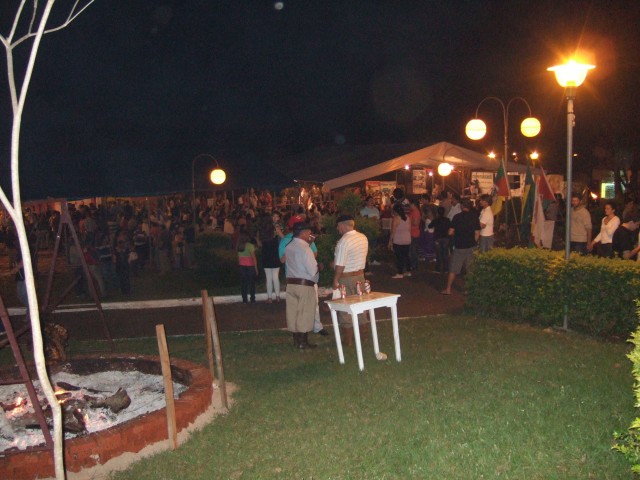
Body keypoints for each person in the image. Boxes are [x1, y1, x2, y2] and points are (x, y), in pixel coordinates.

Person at [332, 214, 368, 346]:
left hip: (346, 278)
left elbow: (340, 265)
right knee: (361, 305)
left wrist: (335, 280)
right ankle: (363, 337)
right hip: (360, 276)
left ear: (342, 225)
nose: (337, 229)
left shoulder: (344, 241)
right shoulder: (363, 237)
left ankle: (348, 341)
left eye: (338, 226)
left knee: (345, 308)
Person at [285, 222, 319, 349]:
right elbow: (312, 270)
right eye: (309, 232)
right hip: (304, 285)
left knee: (293, 312)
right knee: (305, 313)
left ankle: (296, 340)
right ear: (304, 233)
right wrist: (319, 267)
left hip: (291, 284)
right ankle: (302, 342)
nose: (310, 234)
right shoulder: (305, 249)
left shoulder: (289, 246)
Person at [442, 199, 480, 295]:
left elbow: (450, 232)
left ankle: (448, 289)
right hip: (471, 245)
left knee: (453, 268)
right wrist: (473, 242)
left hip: (459, 246)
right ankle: (468, 289)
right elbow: (477, 233)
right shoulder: (475, 217)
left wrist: (456, 233)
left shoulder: (457, 217)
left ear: (462, 206)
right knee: (470, 268)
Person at [259, 220, 281, 303]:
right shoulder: (275, 238)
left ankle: (269, 298)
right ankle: (278, 296)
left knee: (268, 278)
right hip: (275, 258)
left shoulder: (264, 239)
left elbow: (261, 247)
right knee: (276, 277)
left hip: (266, 259)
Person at [388, 204, 411, 278]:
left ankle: (400, 273)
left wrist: (390, 241)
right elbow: (409, 229)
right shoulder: (407, 217)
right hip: (407, 239)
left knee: (399, 257)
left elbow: (393, 231)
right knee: (406, 256)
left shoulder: (396, 218)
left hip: (399, 239)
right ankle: (408, 271)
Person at [236, 231, 258, 303]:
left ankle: (244, 299)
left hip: (242, 266)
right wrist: (256, 269)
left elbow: (239, 258)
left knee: (243, 284)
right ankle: (252, 299)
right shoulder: (250, 246)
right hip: (250, 266)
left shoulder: (239, 246)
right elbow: (254, 258)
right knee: (251, 284)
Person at [429, 206, 451, 274]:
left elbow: (430, 226)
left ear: (437, 212)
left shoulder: (436, 220)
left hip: (437, 238)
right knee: (445, 254)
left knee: (438, 254)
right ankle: (446, 269)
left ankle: (438, 269)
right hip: (446, 238)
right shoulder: (447, 220)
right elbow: (450, 227)